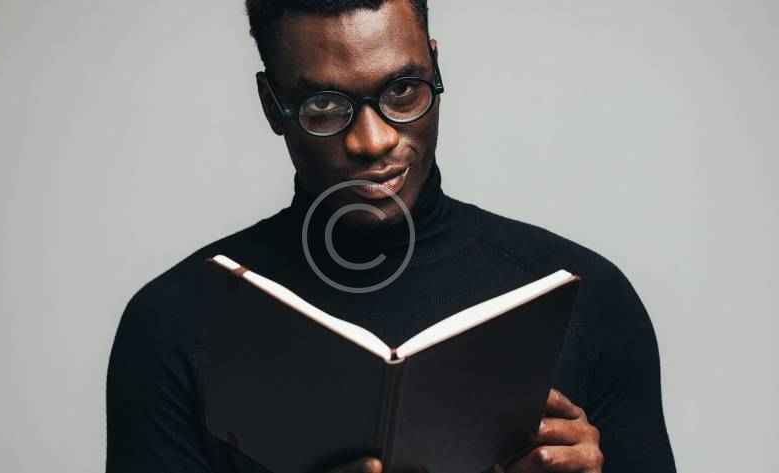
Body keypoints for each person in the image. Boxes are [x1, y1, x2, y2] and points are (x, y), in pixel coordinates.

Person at [105, 1, 677, 472]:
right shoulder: (174, 323)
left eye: (403, 90)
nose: (373, 141)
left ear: (435, 66)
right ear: (271, 105)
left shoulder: (588, 299)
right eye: (324, 105)